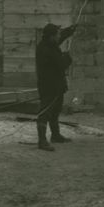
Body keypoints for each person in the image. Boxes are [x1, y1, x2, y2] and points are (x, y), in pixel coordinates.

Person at [35, 22, 78, 151]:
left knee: (55, 111)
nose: (60, 36)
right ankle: (42, 141)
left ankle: (55, 135)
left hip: (56, 86)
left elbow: (60, 37)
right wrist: (68, 57)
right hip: (49, 87)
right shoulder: (46, 50)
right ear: (51, 36)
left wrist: (70, 30)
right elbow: (62, 64)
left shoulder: (49, 44)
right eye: (57, 34)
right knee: (45, 112)